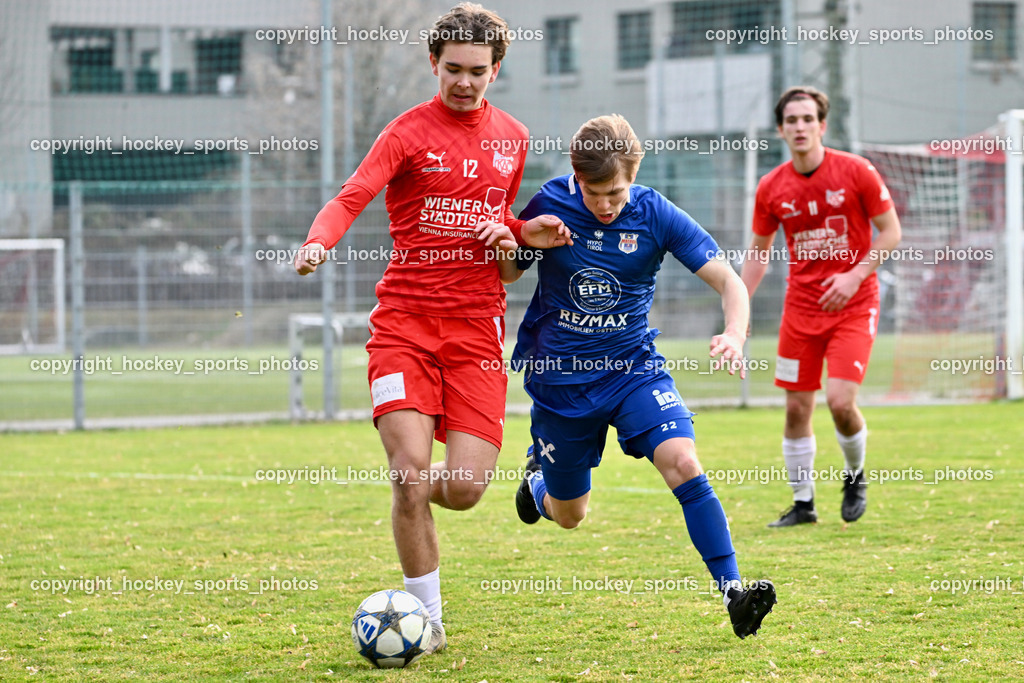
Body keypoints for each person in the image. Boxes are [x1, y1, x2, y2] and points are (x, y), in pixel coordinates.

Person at [292, 3, 571, 655]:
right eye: (453, 69)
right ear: (433, 64)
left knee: (468, 489)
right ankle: (428, 619)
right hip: (405, 328)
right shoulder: (406, 132)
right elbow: (352, 194)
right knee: (409, 473)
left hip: (476, 332)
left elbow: (507, 266)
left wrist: (518, 237)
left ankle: (489, 490)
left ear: (496, 69)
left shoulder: (514, 137)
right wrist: (317, 241)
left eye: (478, 71)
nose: (465, 82)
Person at [507, 114, 777, 639]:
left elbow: (729, 280)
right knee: (569, 515)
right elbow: (509, 271)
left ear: (635, 174)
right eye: (595, 192)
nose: (607, 204)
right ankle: (539, 481)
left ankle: (733, 592)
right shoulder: (547, 203)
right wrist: (518, 239)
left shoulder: (656, 213)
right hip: (563, 384)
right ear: (574, 175)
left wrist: (736, 333)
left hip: (633, 370)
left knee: (683, 460)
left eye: (617, 192)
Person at [739, 86, 902, 527]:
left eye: (808, 119)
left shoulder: (856, 171)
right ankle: (804, 504)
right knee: (796, 408)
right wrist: (739, 309)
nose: (800, 127)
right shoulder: (772, 187)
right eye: (791, 120)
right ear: (781, 129)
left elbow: (890, 232)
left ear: (822, 125)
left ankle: (854, 476)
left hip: (854, 304)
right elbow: (758, 254)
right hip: (801, 310)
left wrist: (854, 275)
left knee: (840, 401)